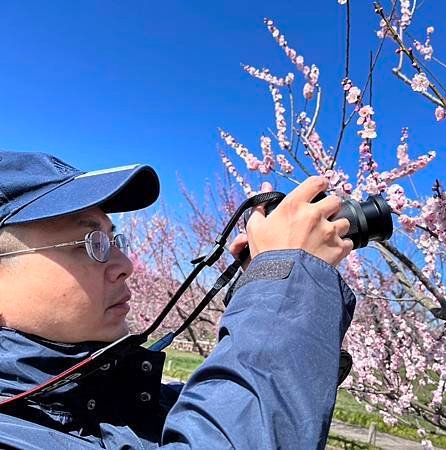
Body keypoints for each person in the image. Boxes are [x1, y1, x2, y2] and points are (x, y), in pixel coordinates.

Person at [0, 151, 356, 449]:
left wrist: (263, 291)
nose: (125, 265)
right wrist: (285, 288)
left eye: (114, 239)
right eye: (91, 243)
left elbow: (233, 408)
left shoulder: (128, 401)